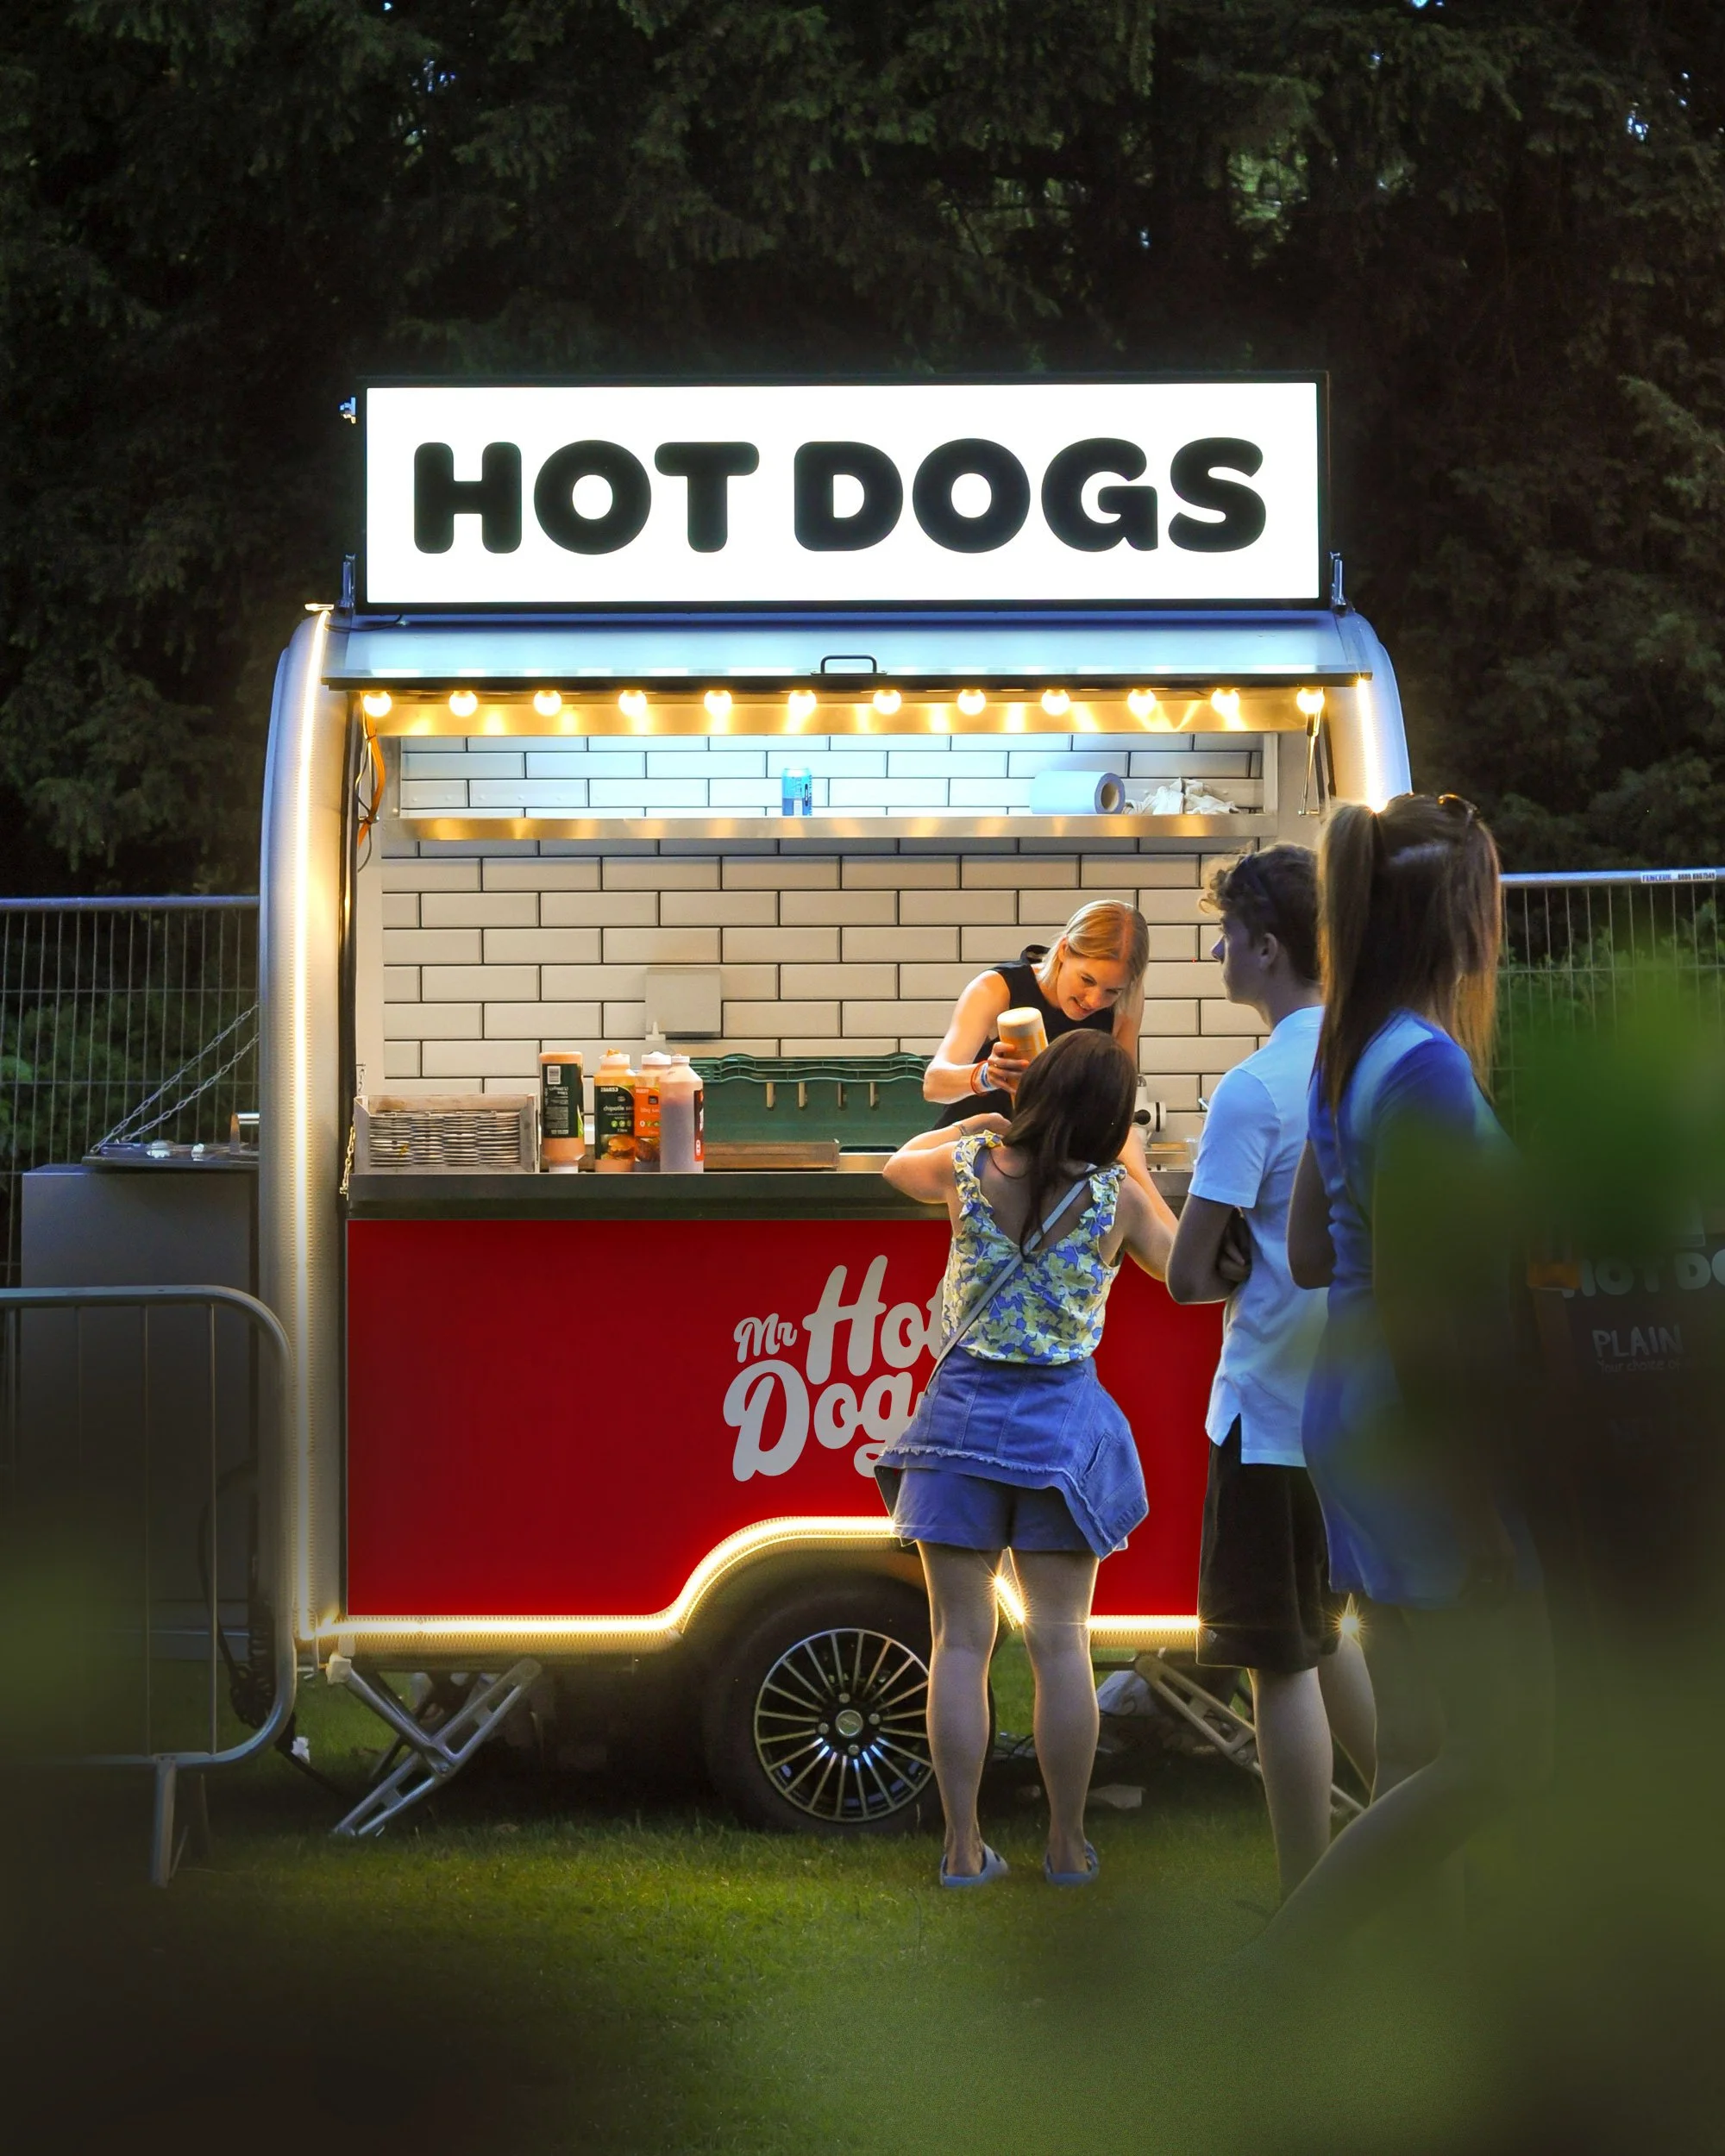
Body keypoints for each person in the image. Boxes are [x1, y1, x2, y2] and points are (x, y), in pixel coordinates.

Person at [1261, 793, 1552, 1960]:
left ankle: (1438, 1999)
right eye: (1490, 902)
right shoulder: (1423, 1068)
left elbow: (1317, 1250)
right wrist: (1481, 1503)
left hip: (1354, 1423)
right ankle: (1272, 1975)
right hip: (1421, 1434)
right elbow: (1436, 1322)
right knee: (1508, 1755)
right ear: (1457, 920)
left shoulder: (1352, 1052)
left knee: (1427, 1749)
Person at [880, 1030, 1174, 1889]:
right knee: (1058, 1645)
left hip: (958, 1424)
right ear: (1113, 1117)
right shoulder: (1114, 1196)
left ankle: (963, 1849)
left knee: (959, 1643)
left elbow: (898, 1162)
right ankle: (1064, 1845)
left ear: (1035, 1091)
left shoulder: (969, 1163)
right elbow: (1180, 1265)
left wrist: (989, 1114)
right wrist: (1135, 1159)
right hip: (1060, 1434)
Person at [1164, 845, 1377, 1902]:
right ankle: (1415, 1838)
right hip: (1356, 1407)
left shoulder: (1250, 1089)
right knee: (1326, 1627)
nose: (1214, 951)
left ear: (1265, 946)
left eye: (1224, 934)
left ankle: (1304, 1901)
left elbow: (1187, 1269)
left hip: (1267, 1415)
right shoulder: (1368, 1056)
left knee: (1278, 1661)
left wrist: (1225, 1248)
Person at [923, 897, 1178, 1224]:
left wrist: (1155, 1206)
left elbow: (1117, 1110)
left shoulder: (1126, 1004)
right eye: (1087, 980)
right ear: (1064, 950)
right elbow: (935, 1084)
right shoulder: (996, 988)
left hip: (1054, 1176)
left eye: (1112, 991)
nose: (1094, 1001)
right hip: (976, 1173)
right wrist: (985, 1075)